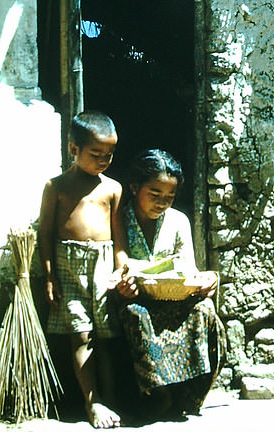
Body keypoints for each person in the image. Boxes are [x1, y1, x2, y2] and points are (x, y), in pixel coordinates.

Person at [114, 148, 226, 419]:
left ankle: (190, 393)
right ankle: (157, 394)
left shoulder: (178, 221)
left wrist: (208, 279)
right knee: (134, 315)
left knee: (205, 310)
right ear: (134, 187)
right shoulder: (119, 220)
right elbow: (118, 267)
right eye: (155, 195)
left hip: (174, 299)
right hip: (137, 300)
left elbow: (188, 268)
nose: (162, 202)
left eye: (169, 197)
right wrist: (125, 284)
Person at [38, 110, 128, 429]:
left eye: (109, 154)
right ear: (73, 149)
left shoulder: (112, 189)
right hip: (68, 267)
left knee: (104, 337)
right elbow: (45, 234)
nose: (104, 160)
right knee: (81, 334)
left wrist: (122, 270)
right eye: (96, 154)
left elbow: (119, 239)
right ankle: (93, 404)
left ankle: (112, 400)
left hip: (102, 268)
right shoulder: (56, 187)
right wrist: (49, 275)